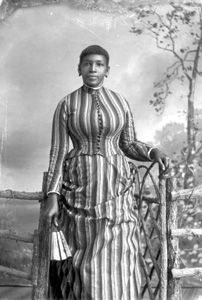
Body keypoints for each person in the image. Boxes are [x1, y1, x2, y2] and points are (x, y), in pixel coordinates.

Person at [43, 45, 172, 300]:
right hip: (80, 190)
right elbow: (58, 152)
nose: (93, 68)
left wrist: (152, 152)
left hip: (117, 189)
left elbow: (128, 144)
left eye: (99, 64)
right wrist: (52, 195)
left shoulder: (120, 102)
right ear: (78, 69)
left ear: (107, 70)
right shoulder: (66, 104)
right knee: (84, 256)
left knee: (120, 250)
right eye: (88, 63)